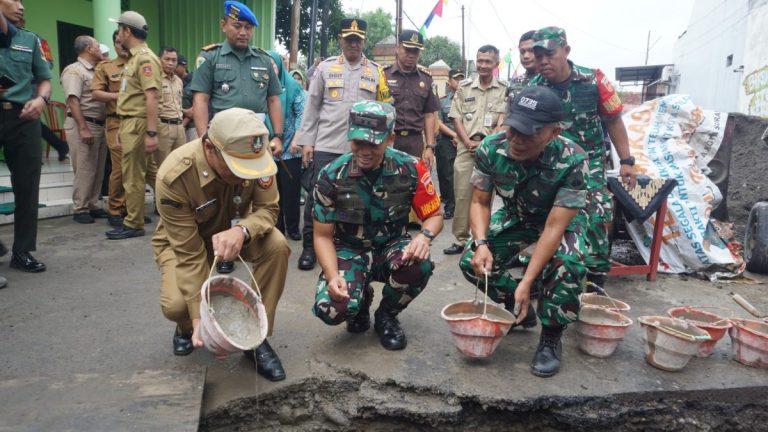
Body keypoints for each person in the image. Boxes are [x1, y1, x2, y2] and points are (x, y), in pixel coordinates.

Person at [460, 86, 590, 377]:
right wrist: (481, 243)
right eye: (513, 129)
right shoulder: (491, 148)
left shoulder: (573, 159)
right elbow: (480, 202)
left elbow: (555, 226)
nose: (516, 140)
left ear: (554, 132)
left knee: (568, 266)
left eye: (528, 133)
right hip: (517, 215)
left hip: (558, 221)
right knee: (471, 259)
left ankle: (551, 337)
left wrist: (528, 279)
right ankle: (518, 304)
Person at [153, 107, 290, 381]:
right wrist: (198, 318)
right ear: (209, 148)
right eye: (235, 167)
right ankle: (184, 328)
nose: (243, 176)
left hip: (234, 235)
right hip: (185, 241)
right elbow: (189, 255)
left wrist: (242, 230)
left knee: (276, 245)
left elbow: (268, 210)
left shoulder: (257, 157)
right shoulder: (174, 175)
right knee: (178, 305)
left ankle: (256, 340)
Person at [312, 101, 443, 350]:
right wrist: (331, 276)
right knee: (331, 310)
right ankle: (360, 302)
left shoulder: (411, 167)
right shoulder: (331, 175)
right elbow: (322, 236)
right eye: (357, 142)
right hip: (349, 250)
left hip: (392, 247)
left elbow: (435, 215)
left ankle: (387, 315)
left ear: (390, 138)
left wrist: (424, 237)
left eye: (373, 143)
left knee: (420, 265)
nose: (364, 150)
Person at [529, 27, 637, 289]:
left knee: (599, 217)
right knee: (546, 220)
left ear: (566, 50)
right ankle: (547, 274)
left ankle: (596, 279)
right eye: (538, 55)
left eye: (550, 54)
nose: (543, 61)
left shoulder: (594, 81)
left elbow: (613, 121)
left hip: (591, 165)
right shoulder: (534, 89)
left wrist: (626, 161)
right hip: (551, 168)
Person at [191, 0, 284, 273]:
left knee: (261, 193)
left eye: (248, 27)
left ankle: (252, 240)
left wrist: (278, 136)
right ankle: (222, 252)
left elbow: (274, 100)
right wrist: (202, 139)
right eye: (237, 26)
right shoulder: (210, 58)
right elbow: (201, 99)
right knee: (225, 191)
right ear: (224, 25)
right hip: (224, 139)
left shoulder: (264, 60)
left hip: (256, 138)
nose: (243, 32)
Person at [296, 18, 391, 271]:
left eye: (357, 39)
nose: (353, 44)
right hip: (327, 144)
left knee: (357, 198)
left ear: (364, 42)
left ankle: (348, 246)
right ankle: (309, 248)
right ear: (340, 40)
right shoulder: (325, 69)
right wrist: (307, 142)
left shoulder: (375, 72)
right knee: (319, 197)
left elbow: (384, 109)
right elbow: (312, 106)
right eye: (348, 39)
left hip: (362, 149)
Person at [0, 0, 51, 274]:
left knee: (27, 185)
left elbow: (44, 79)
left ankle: (22, 250)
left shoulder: (30, 40)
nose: (20, 6)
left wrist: (41, 100)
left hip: (24, 117)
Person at [444, 45, 508, 255]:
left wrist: (487, 144)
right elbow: (456, 117)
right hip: (466, 148)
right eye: (479, 61)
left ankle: (480, 238)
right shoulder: (464, 87)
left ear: (496, 65)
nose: (482, 65)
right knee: (462, 193)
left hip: (492, 150)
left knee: (485, 195)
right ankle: (461, 239)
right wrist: (467, 142)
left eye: (488, 61)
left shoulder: (504, 89)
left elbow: (503, 120)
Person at [105, 11, 161, 240]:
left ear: (127, 31)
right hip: (131, 123)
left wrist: (150, 132)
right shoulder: (135, 58)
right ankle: (181, 205)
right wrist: (121, 127)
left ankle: (134, 222)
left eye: (120, 29)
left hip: (137, 125)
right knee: (151, 174)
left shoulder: (144, 58)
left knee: (132, 175)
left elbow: (152, 96)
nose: (118, 34)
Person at [61, 35, 108, 224]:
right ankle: (80, 208)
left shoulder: (96, 71)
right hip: (84, 124)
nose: (100, 49)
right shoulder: (74, 71)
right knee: (85, 168)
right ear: (89, 49)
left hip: (99, 125)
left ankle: (93, 204)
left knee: (97, 168)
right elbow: (73, 100)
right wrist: (83, 128)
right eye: (97, 46)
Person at [92, 29, 130, 227]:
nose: (121, 45)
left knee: (136, 168)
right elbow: (96, 93)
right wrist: (119, 97)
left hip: (137, 122)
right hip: (116, 122)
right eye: (117, 42)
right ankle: (115, 209)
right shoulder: (105, 67)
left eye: (124, 41)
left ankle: (132, 210)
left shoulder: (141, 64)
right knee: (120, 166)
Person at [383, 29, 439, 164]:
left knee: (415, 181)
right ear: (397, 48)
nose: (411, 55)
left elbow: (429, 115)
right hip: (388, 140)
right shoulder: (383, 75)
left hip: (415, 142)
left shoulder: (426, 79)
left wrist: (430, 147)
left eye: (415, 51)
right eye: (407, 49)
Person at [266, 50, 304, 241]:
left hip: (291, 149)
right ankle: (277, 227)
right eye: (268, 64)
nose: (271, 68)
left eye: (274, 64)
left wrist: (297, 138)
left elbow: (301, 113)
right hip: (265, 150)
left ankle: (293, 227)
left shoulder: (292, 86)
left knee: (291, 192)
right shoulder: (259, 86)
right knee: (272, 193)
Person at [435, 68, 463, 220]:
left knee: (463, 175)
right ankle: (450, 206)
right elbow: (438, 122)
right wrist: (454, 135)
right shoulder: (442, 101)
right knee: (447, 176)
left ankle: (462, 206)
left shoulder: (469, 99)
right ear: (449, 82)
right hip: (446, 141)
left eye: (461, 78)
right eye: (456, 79)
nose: (459, 82)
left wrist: (463, 138)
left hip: (465, 140)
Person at [156, 46, 185, 166]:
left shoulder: (178, 81)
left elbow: (179, 104)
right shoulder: (155, 79)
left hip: (179, 127)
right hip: (163, 126)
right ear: (159, 59)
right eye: (167, 59)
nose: (170, 63)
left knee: (181, 163)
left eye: (174, 60)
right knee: (163, 165)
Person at [507, 30, 537, 103]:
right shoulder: (514, 82)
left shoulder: (552, 81)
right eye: (522, 52)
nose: (526, 56)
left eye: (531, 51)